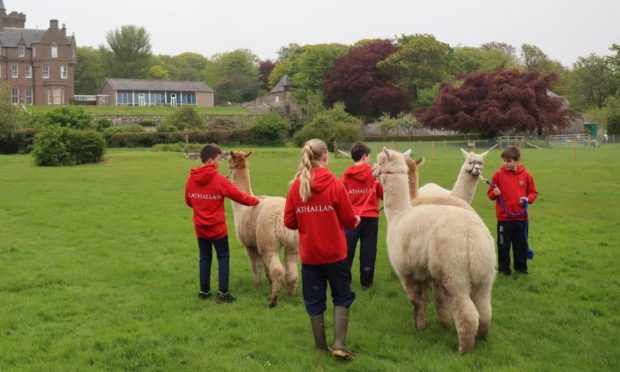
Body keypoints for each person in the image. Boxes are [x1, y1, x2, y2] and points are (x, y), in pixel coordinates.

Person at [284, 139, 360, 360]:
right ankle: (339, 345)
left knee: (314, 299)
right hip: (335, 254)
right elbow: (348, 218)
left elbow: (289, 221)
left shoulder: (296, 187)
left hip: (310, 256)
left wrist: (307, 220)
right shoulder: (336, 184)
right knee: (342, 295)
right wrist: (354, 220)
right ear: (325, 157)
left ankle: (320, 348)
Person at [185, 144, 260, 303]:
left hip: (200, 227)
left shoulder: (191, 178)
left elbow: (188, 201)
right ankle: (223, 294)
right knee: (223, 257)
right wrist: (257, 201)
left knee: (204, 258)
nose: (220, 162)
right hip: (217, 229)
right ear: (211, 159)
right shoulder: (219, 180)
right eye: (219, 159)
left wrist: (200, 206)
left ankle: (204, 292)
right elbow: (239, 196)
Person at [487, 146, 538, 276]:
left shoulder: (526, 175)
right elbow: (490, 194)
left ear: (517, 161)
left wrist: (527, 199)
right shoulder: (498, 175)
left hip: (521, 218)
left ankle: (521, 269)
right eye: (504, 161)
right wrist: (494, 192)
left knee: (520, 245)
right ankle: (504, 270)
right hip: (504, 219)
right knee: (503, 245)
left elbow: (533, 192)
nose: (505, 164)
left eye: (509, 161)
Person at [342, 142, 383, 289]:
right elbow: (382, 193)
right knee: (368, 249)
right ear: (365, 156)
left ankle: (344, 280)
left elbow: (343, 197)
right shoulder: (375, 173)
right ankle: (366, 282)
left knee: (347, 249)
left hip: (352, 217)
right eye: (369, 156)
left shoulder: (347, 175)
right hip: (370, 217)